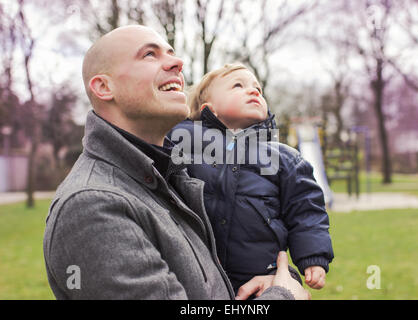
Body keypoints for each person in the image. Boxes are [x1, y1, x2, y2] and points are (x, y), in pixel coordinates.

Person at [43, 25, 310, 300]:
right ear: (103, 87)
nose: (177, 61)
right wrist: (283, 296)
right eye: (149, 54)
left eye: (171, 53)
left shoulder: (168, 175)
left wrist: (272, 280)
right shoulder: (92, 204)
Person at [169, 63, 334, 294]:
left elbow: (305, 208)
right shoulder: (186, 141)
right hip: (197, 275)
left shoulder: (282, 156)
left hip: (258, 276)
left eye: (258, 88)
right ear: (210, 108)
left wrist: (313, 255)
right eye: (238, 85)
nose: (254, 91)